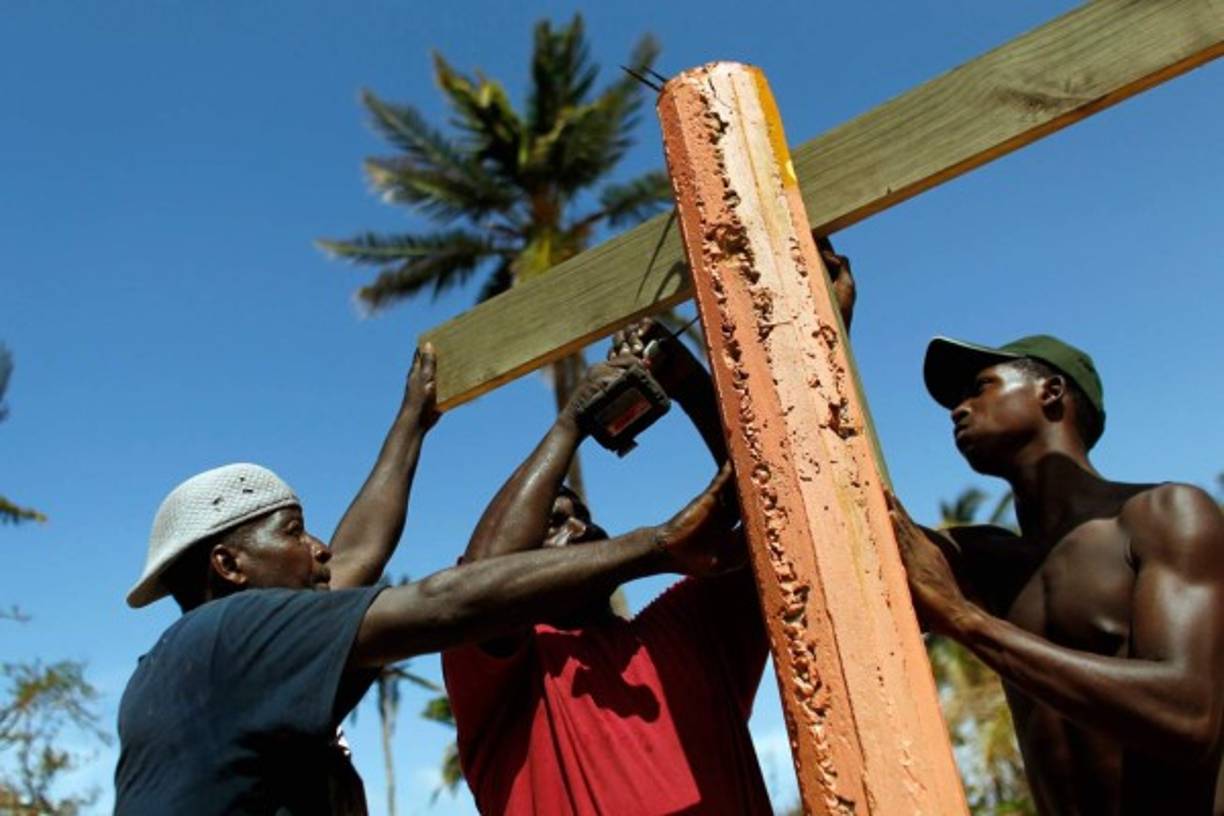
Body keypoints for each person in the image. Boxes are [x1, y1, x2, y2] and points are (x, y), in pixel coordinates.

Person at [113, 347, 738, 816]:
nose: (321, 548)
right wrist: (655, 544)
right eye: (295, 531)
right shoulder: (231, 636)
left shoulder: (208, 663)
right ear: (229, 565)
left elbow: (357, 556)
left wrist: (413, 420)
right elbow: (449, 599)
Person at [442, 243, 856, 815]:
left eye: (580, 515)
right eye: (550, 524)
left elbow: (765, 500)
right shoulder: (508, 683)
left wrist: (681, 373)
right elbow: (480, 583)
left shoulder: (683, 631)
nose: (580, 525)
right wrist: (572, 424)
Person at [888, 334, 1224, 815]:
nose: (958, 409)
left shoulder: (1163, 514)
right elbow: (866, 527)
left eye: (980, 387)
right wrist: (825, 334)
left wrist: (969, 622)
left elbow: (1189, 717)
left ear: (1050, 392)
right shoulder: (989, 559)